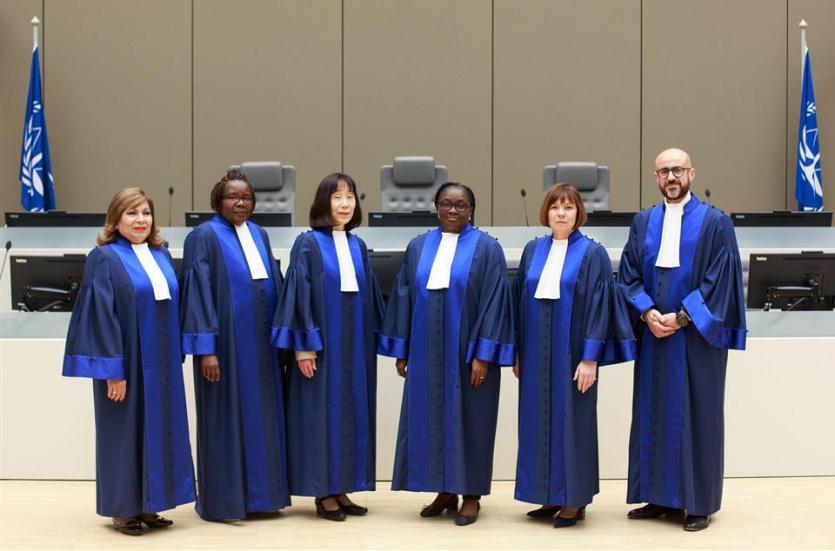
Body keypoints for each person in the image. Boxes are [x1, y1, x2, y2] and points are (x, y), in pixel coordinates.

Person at [617, 148, 747, 531]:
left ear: (691, 173)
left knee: (698, 415)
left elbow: (720, 279)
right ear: (655, 178)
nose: (670, 177)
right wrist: (646, 312)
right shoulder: (643, 221)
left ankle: (698, 503)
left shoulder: (716, 222)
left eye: (677, 170)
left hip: (696, 339)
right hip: (655, 333)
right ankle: (658, 497)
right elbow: (628, 275)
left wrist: (683, 316)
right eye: (663, 172)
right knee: (653, 412)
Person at [378, 182, 516, 526]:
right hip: (427, 353)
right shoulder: (418, 246)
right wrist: (403, 351)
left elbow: (495, 303)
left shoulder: (487, 248)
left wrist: (483, 355)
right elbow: (404, 297)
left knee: (472, 421)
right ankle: (444, 490)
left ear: (472, 210)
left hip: (469, 356)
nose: (452, 211)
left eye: (460, 205)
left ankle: (471, 496)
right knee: (432, 419)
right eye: (445, 204)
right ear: (436, 207)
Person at [63, 188, 195, 536]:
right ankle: (123, 509)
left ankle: (151, 503)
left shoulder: (161, 254)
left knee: (160, 431)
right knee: (124, 434)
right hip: (127, 366)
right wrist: (113, 371)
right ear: (116, 219)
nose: (141, 220)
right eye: (132, 213)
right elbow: (100, 316)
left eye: (146, 213)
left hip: (162, 366)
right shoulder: (104, 258)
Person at [513, 184, 635, 528]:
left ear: (579, 213)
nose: (561, 213)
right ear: (546, 212)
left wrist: (590, 358)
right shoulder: (532, 250)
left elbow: (599, 307)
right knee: (537, 423)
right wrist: (518, 351)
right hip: (535, 355)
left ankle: (574, 500)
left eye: (568, 207)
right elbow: (518, 302)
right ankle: (549, 495)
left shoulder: (593, 254)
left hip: (573, 357)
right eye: (555, 207)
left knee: (573, 424)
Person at [272, 173, 384, 521]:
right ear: (324, 202)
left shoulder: (357, 246)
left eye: (350, 197)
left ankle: (343, 487)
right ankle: (323, 491)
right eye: (337, 197)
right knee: (321, 417)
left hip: (354, 349)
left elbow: (369, 300)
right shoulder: (308, 244)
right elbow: (299, 296)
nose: (345, 204)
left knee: (351, 414)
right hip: (321, 349)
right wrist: (304, 348)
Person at [179, 170, 290, 521]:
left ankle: (264, 499)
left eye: (246, 198)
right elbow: (197, 293)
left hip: (263, 349)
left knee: (265, 419)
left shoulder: (259, 234)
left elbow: (274, 284)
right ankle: (225, 502)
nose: (240, 203)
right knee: (225, 421)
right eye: (232, 197)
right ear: (218, 200)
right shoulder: (203, 236)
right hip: (225, 348)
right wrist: (206, 350)